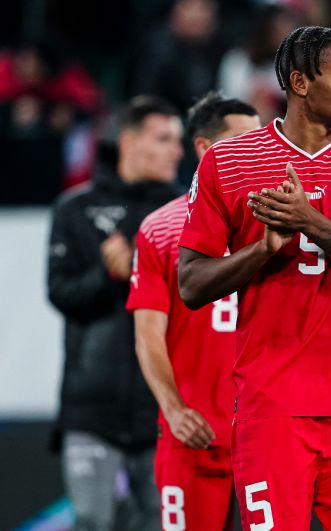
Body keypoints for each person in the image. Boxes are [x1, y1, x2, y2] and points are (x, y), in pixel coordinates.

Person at [177, 26, 331, 530]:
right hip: (271, 413)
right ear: (301, 83)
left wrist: (312, 223)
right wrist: (262, 250)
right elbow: (191, 284)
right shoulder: (230, 160)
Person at [47, 95, 183, 531]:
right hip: (92, 407)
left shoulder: (186, 211)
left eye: (178, 140)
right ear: (128, 142)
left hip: (164, 405)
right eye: (163, 139)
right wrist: (106, 275)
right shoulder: (75, 209)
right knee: (90, 520)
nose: (176, 151)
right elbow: (60, 293)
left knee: (160, 524)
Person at [126, 92, 260, 531]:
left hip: (268, 437)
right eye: (248, 142)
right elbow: (147, 333)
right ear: (207, 149)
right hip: (195, 438)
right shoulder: (161, 229)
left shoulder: (281, 222)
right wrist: (175, 410)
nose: (263, 153)